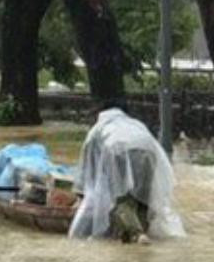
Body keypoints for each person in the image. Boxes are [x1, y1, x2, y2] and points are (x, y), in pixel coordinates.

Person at [69, 99, 184, 243]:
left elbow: (86, 166)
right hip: (149, 152)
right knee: (143, 198)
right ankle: (136, 234)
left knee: (121, 198)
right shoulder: (135, 124)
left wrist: (80, 195)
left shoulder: (98, 129)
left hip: (118, 151)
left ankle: (137, 234)